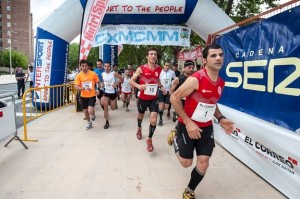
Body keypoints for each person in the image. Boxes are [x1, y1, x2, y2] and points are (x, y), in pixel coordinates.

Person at [169, 44, 235, 199]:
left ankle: (189, 191)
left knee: (204, 162)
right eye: (213, 55)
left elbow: (212, 102)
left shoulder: (221, 82)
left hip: (206, 127)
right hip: (187, 126)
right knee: (186, 163)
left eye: (220, 54)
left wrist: (221, 118)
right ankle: (175, 134)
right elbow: (174, 98)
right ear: (204, 60)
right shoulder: (196, 79)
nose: (218, 58)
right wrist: (188, 122)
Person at [129, 47, 164, 152]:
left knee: (153, 119)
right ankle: (139, 128)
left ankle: (149, 139)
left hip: (154, 98)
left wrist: (161, 87)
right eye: (151, 54)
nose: (153, 56)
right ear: (147, 56)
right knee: (141, 115)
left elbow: (157, 80)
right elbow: (131, 81)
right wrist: (139, 86)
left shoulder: (159, 69)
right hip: (143, 98)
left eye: (155, 54)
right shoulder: (141, 68)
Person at [74, 59, 100, 130]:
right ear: (80, 67)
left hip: (92, 95)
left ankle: (93, 114)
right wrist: (82, 88)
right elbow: (76, 86)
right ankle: (89, 123)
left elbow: (98, 82)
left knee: (90, 111)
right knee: (85, 111)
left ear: (88, 66)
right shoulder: (79, 75)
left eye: (86, 66)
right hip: (83, 96)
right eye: (83, 66)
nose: (84, 67)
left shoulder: (93, 74)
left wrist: (97, 89)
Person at [101, 62, 123, 129]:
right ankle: (107, 122)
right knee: (105, 106)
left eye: (108, 66)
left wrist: (116, 84)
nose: (107, 68)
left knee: (113, 108)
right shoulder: (103, 74)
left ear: (110, 67)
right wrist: (102, 84)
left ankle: (111, 103)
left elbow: (121, 79)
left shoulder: (113, 73)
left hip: (113, 93)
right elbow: (103, 81)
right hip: (106, 92)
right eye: (105, 66)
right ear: (104, 67)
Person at [158, 60, 176, 126]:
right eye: (166, 65)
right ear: (164, 65)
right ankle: (160, 120)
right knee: (161, 106)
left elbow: (175, 80)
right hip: (161, 90)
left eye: (169, 66)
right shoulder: (160, 72)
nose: (167, 67)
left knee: (166, 107)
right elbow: (157, 80)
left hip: (168, 91)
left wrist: (172, 87)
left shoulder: (172, 72)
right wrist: (161, 87)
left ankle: (164, 110)